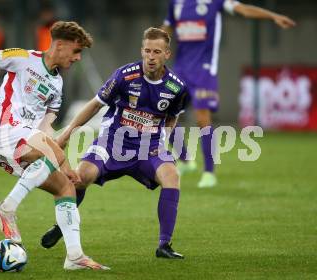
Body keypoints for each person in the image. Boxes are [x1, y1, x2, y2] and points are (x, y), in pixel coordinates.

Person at [0, 21, 109, 270]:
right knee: (54, 156)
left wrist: (63, 164)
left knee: (66, 187)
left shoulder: (57, 85)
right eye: (76, 51)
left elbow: (46, 128)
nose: (78, 58)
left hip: (22, 143)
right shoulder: (23, 57)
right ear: (60, 45)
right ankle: (7, 208)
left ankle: (74, 256)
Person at [41, 27, 188, 259]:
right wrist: (68, 133)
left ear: (166, 54)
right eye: (147, 50)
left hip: (147, 148)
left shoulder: (176, 87)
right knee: (82, 176)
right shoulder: (124, 75)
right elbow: (95, 104)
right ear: (142, 50)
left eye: (157, 52)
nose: (151, 56)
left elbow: (173, 115)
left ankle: (164, 245)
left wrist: (163, 139)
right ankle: (61, 227)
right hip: (112, 143)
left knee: (172, 176)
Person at [161, 0, 296, 188]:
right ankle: (185, 161)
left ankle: (209, 173)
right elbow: (167, 27)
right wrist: (154, 47)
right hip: (180, 69)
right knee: (164, 114)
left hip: (204, 70)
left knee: (202, 119)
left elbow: (244, 10)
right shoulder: (177, 2)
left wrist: (273, 16)